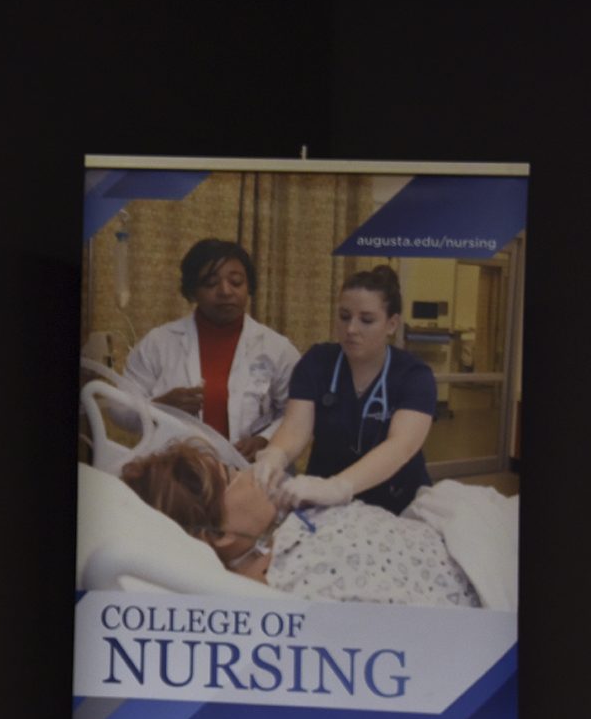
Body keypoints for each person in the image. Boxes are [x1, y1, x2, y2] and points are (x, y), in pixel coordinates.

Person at [120, 440, 479, 608]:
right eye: (233, 475)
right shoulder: (289, 587)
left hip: (458, 536)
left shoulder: (281, 522)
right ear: (220, 535)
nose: (250, 472)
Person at [254, 265, 435, 515]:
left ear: (392, 324)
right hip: (324, 503)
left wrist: (339, 487)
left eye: (366, 320)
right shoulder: (317, 362)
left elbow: (401, 445)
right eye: (344, 316)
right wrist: (276, 454)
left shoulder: (413, 375)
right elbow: (295, 429)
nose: (351, 329)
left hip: (397, 501)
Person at [122, 238, 299, 460]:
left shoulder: (277, 348)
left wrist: (266, 439)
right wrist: (159, 407)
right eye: (210, 283)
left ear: (249, 287)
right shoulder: (158, 343)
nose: (225, 291)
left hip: (248, 472)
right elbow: (119, 410)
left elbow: (298, 413)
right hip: (175, 472)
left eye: (236, 282)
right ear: (192, 291)